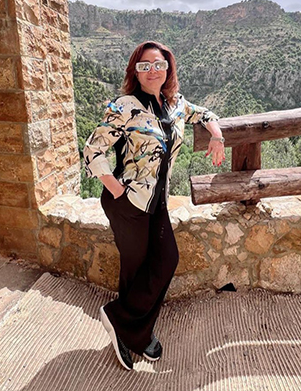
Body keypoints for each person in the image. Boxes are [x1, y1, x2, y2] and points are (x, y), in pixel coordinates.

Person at [82, 40, 226, 370]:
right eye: (144, 66)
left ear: (168, 69)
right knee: (136, 269)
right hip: (128, 202)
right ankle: (134, 333)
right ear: (135, 71)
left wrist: (217, 136)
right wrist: (116, 189)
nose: (152, 71)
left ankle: (122, 321)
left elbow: (204, 114)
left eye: (159, 65)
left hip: (157, 201)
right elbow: (92, 149)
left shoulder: (175, 104)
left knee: (166, 260)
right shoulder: (124, 106)